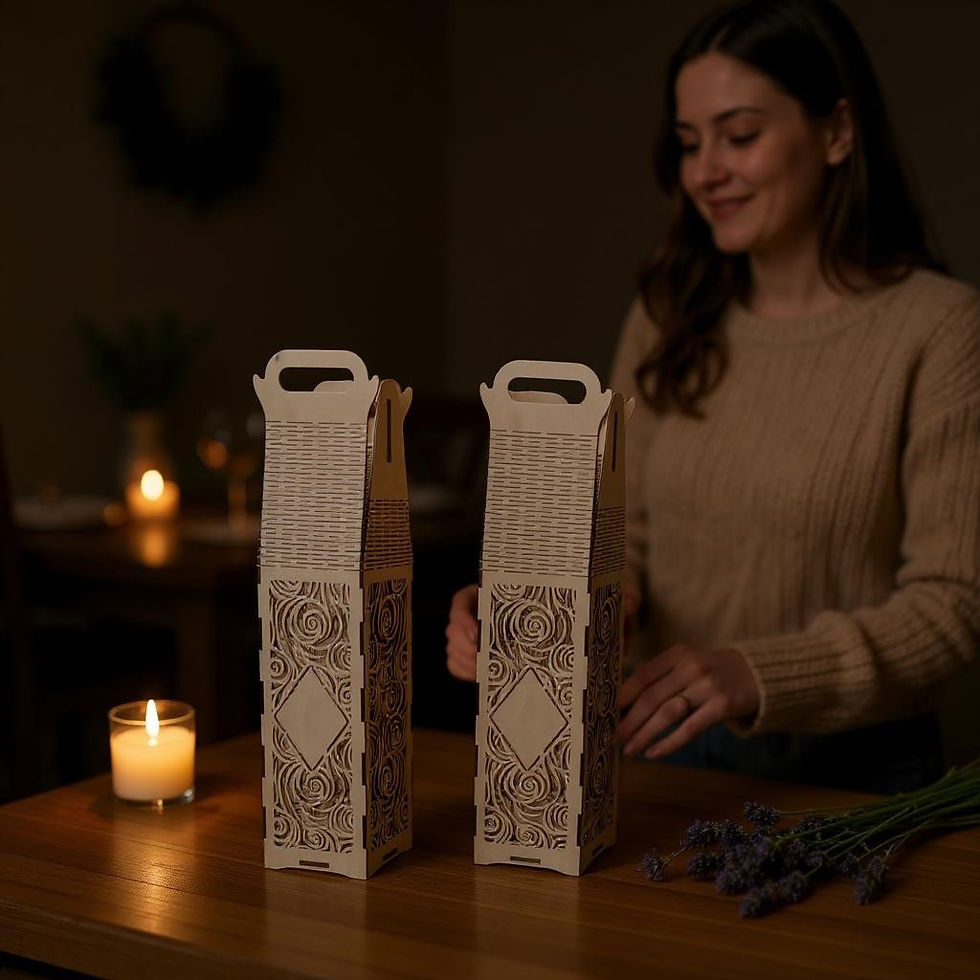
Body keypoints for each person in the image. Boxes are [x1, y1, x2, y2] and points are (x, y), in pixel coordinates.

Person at [445, 0, 980, 793]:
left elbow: (955, 606)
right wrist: (549, 608)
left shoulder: (939, 330)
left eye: (740, 136)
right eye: (690, 144)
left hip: (855, 777)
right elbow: (621, 543)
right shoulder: (668, 317)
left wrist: (756, 673)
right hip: (654, 751)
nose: (704, 172)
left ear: (836, 132)